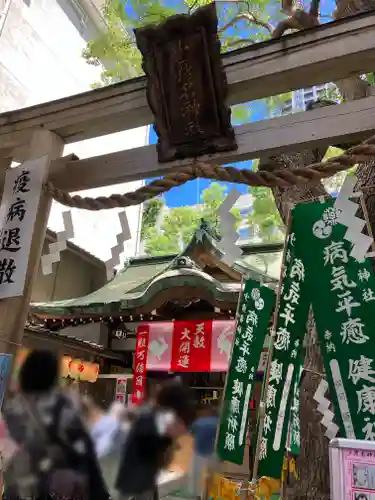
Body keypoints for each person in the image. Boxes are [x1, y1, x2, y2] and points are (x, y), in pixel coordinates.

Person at [2, 349, 109, 500]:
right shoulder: (61, 407)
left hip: (17, 490)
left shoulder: (12, 408)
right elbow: (85, 453)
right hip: (51, 489)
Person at [189, 404, 219, 499]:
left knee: (198, 477)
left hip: (199, 454)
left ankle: (199, 495)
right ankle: (210, 495)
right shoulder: (218, 422)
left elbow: (190, 433)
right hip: (213, 454)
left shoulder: (199, 422)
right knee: (212, 477)